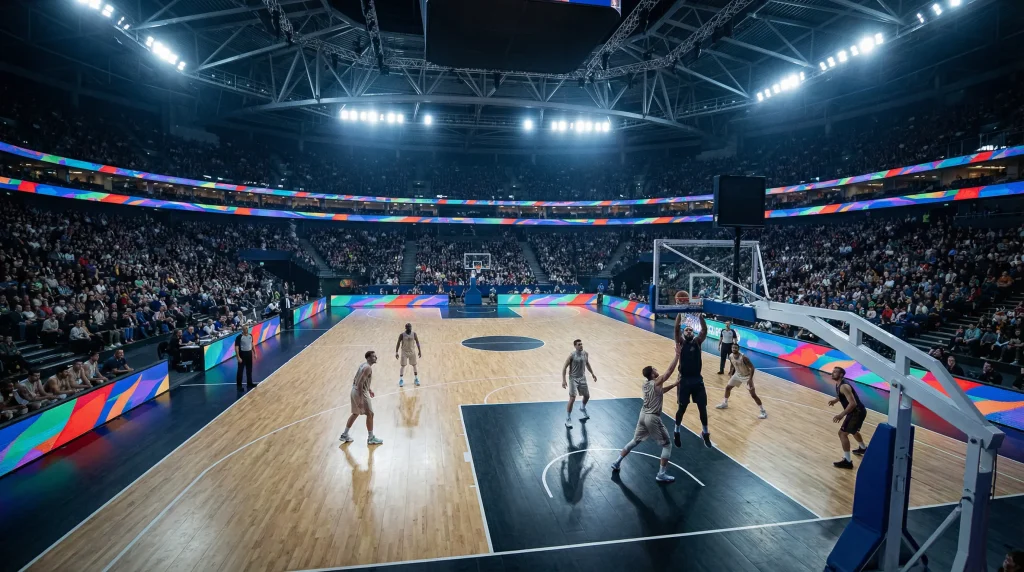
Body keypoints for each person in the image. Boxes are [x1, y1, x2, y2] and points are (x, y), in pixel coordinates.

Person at [611, 340, 683, 482]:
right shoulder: (656, 381)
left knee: (635, 440)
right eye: (655, 369)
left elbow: (660, 391)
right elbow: (669, 372)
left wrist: (674, 384)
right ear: (652, 374)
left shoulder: (646, 384)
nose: (658, 370)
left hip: (642, 415)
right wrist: (677, 355)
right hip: (652, 417)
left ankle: (617, 462)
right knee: (667, 445)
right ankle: (661, 474)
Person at [674, 313, 713, 448]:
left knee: (702, 407)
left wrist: (700, 317)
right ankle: (677, 431)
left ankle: (705, 433)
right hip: (684, 380)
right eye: (687, 330)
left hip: (697, 379)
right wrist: (680, 313)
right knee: (682, 408)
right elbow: (676, 329)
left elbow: (704, 330)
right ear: (684, 332)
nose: (689, 331)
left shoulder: (697, 341)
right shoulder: (681, 342)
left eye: (691, 330)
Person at [340, 351, 383, 445]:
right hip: (361, 392)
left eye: (375, 356)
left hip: (354, 390)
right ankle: (371, 438)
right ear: (368, 358)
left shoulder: (363, 365)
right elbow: (360, 383)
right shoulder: (368, 368)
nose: (376, 357)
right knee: (370, 414)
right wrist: (360, 400)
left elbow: (356, 379)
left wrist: (369, 389)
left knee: (355, 413)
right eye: (373, 356)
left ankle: (344, 434)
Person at [828, 366, 868, 469]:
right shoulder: (839, 384)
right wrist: (835, 400)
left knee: (842, 433)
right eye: (833, 372)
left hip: (856, 412)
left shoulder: (844, 386)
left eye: (835, 372)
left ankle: (848, 461)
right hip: (856, 411)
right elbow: (841, 396)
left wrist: (841, 415)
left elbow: (853, 403)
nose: (833, 373)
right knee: (853, 431)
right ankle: (863, 448)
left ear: (841, 375)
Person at [715, 345, 767, 419]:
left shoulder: (744, 357)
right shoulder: (730, 356)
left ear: (738, 349)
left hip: (747, 376)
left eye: (735, 348)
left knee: (753, 395)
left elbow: (752, 367)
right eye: (733, 348)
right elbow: (733, 364)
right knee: (728, 388)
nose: (734, 349)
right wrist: (731, 372)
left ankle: (763, 411)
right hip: (737, 375)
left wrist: (750, 379)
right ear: (731, 348)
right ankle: (725, 403)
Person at [562, 338, 598, 428]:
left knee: (587, 396)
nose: (581, 345)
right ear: (575, 346)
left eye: (581, 344)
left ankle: (582, 407)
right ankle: (568, 418)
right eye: (579, 344)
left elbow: (587, 363)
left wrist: (592, 373)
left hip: (582, 378)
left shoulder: (585, 354)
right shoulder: (572, 355)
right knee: (572, 398)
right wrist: (564, 380)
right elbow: (564, 367)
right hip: (573, 378)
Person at [395, 323, 422, 387]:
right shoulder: (402, 335)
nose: (410, 328)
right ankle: (401, 380)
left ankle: (416, 379)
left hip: (412, 352)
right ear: (406, 328)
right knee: (403, 366)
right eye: (408, 327)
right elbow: (398, 343)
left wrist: (420, 351)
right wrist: (396, 352)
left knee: (414, 365)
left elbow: (418, 342)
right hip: (404, 352)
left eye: (410, 327)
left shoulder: (414, 334)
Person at [235, 324, 256, 389]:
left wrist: (255, 353)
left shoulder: (250, 335)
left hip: (249, 353)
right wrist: (238, 357)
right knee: (240, 370)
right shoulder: (239, 337)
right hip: (242, 354)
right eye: (244, 329)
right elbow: (236, 347)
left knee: (249, 369)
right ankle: (239, 386)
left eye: (247, 329)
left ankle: (249, 383)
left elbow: (252, 344)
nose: (246, 330)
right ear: (242, 330)